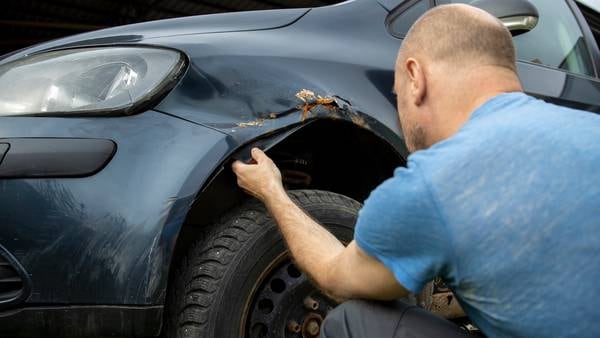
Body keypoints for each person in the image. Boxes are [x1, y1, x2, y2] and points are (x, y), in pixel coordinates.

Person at [232, 3, 600, 338]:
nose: (400, 111)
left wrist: (272, 192)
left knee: (352, 320)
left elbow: (333, 276)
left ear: (415, 77)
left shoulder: (434, 183)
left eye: (397, 94)